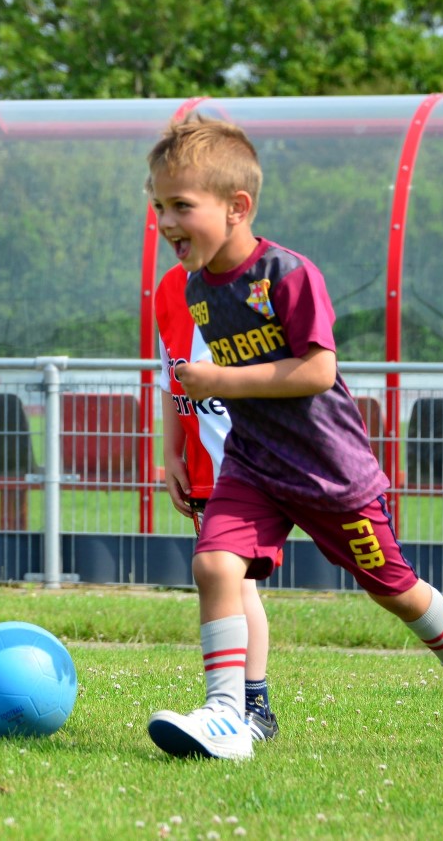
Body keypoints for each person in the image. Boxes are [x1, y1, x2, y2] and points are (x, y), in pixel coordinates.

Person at [143, 116, 443, 761]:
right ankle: (228, 714)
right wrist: (182, 422)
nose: (166, 223)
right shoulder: (198, 287)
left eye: (181, 206)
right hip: (253, 466)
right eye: (158, 206)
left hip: (326, 471)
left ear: (238, 208)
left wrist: (221, 379)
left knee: (392, 588)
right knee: (213, 564)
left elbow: (319, 370)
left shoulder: (285, 273)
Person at [154, 261, 279, 742]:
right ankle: (241, 706)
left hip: (251, 464)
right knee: (228, 581)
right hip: (207, 469)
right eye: (165, 210)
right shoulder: (168, 288)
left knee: (235, 580)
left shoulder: (256, 287)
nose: (173, 225)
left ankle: (250, 708)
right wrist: (171, 453)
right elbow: (171, 375)